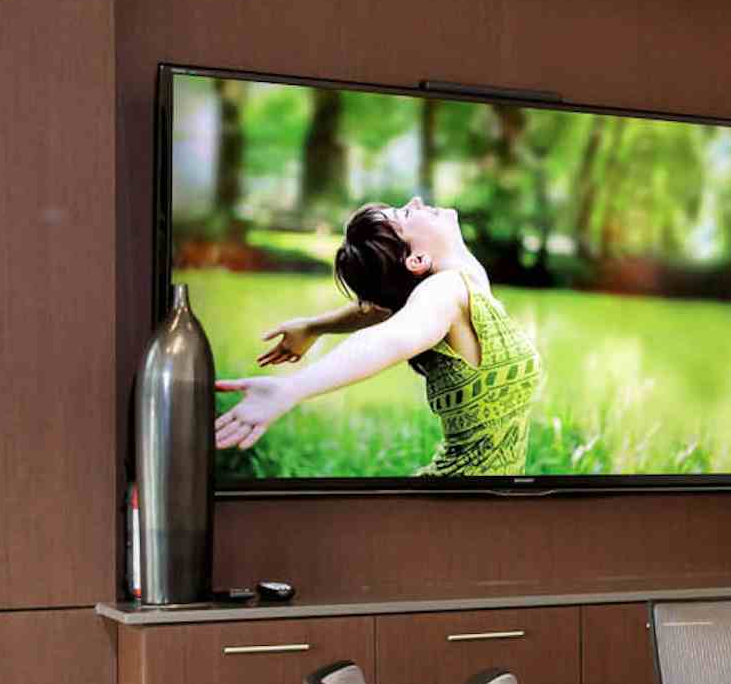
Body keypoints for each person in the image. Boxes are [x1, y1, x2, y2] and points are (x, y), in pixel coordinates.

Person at [212, 197, 541, 476]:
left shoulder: (462, 281)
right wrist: (291, 388)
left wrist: (314, 326)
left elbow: (382, 309)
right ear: (417, 260)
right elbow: (391, 337)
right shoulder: (446, 289)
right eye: (406, 215)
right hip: (457, 506)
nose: (415, 201)